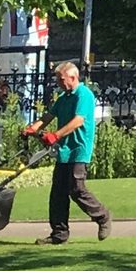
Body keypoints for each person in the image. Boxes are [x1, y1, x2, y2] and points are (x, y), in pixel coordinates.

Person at [28, 58, 113, 242]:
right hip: (64, 150)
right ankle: (59, 234)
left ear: (73, 77)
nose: (58, 83)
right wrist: (33, 128)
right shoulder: (63, 98)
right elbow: (49, 116)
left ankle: (102, 216)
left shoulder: (84, 95)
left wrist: (55, 135)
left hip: (79, 149)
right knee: (58, 192)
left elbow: (78, 121)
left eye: (61, 79)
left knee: (76, 189)